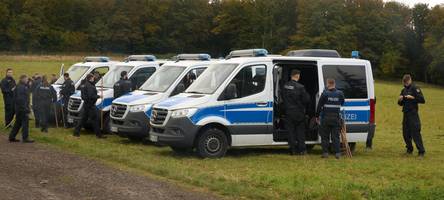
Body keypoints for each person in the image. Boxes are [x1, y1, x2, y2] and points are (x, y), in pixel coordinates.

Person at [282, 69, 310, 155]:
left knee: (290, 132)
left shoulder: (285, 86)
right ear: (298, 76)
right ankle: (302, 150)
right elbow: (306, 100)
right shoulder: (300, 87)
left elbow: (282, 97)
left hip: (288, 112)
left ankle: (293, 150)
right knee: (300, 132)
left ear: (291, 76)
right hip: (298, 113)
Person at [316, 78, 345, 159]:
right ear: (334, 84)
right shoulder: (340, 93)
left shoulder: (325, 94)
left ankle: (325, 153)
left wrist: (317, 116)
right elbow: (342, 102)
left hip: (326, 118)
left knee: (325, 136)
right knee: (335, 136)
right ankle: (337, 153)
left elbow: (319, 106)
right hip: (336, 118)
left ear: (328, 84)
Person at [398, 74, 426, 157]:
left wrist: (413, 98)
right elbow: (400, 103)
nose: (405, 84)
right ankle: (409, 149)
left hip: (413, 114)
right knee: (405, 133)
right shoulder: (403, 90)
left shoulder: (415, 88)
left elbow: (422, 100)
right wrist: (400, 100)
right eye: (404, 83)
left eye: (406, 82)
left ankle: (421, 151)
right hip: (405, 114)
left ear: (410, 80)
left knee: (415, 133)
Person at [73, 73, 105, 139]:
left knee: (83, 119)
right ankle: (98, 135)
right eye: (93, 78)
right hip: (90, 105)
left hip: (86, 104)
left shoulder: (85, 84)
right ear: (90, 78)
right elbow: (91, 96)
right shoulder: (90, 86)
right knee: (95, 120)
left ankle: (76, 132)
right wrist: (99, 96)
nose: (94, 79)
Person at [9, 75, 34, 143]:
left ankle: (12, 136)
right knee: (25, 123)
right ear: (22, 79)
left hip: (19, 108)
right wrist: (25, 108)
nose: (27, 80)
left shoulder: (20, 86)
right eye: (26, 79)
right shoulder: (21, 87)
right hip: (22, 108)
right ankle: (25, 138)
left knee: (18, 123)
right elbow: (21, 99)